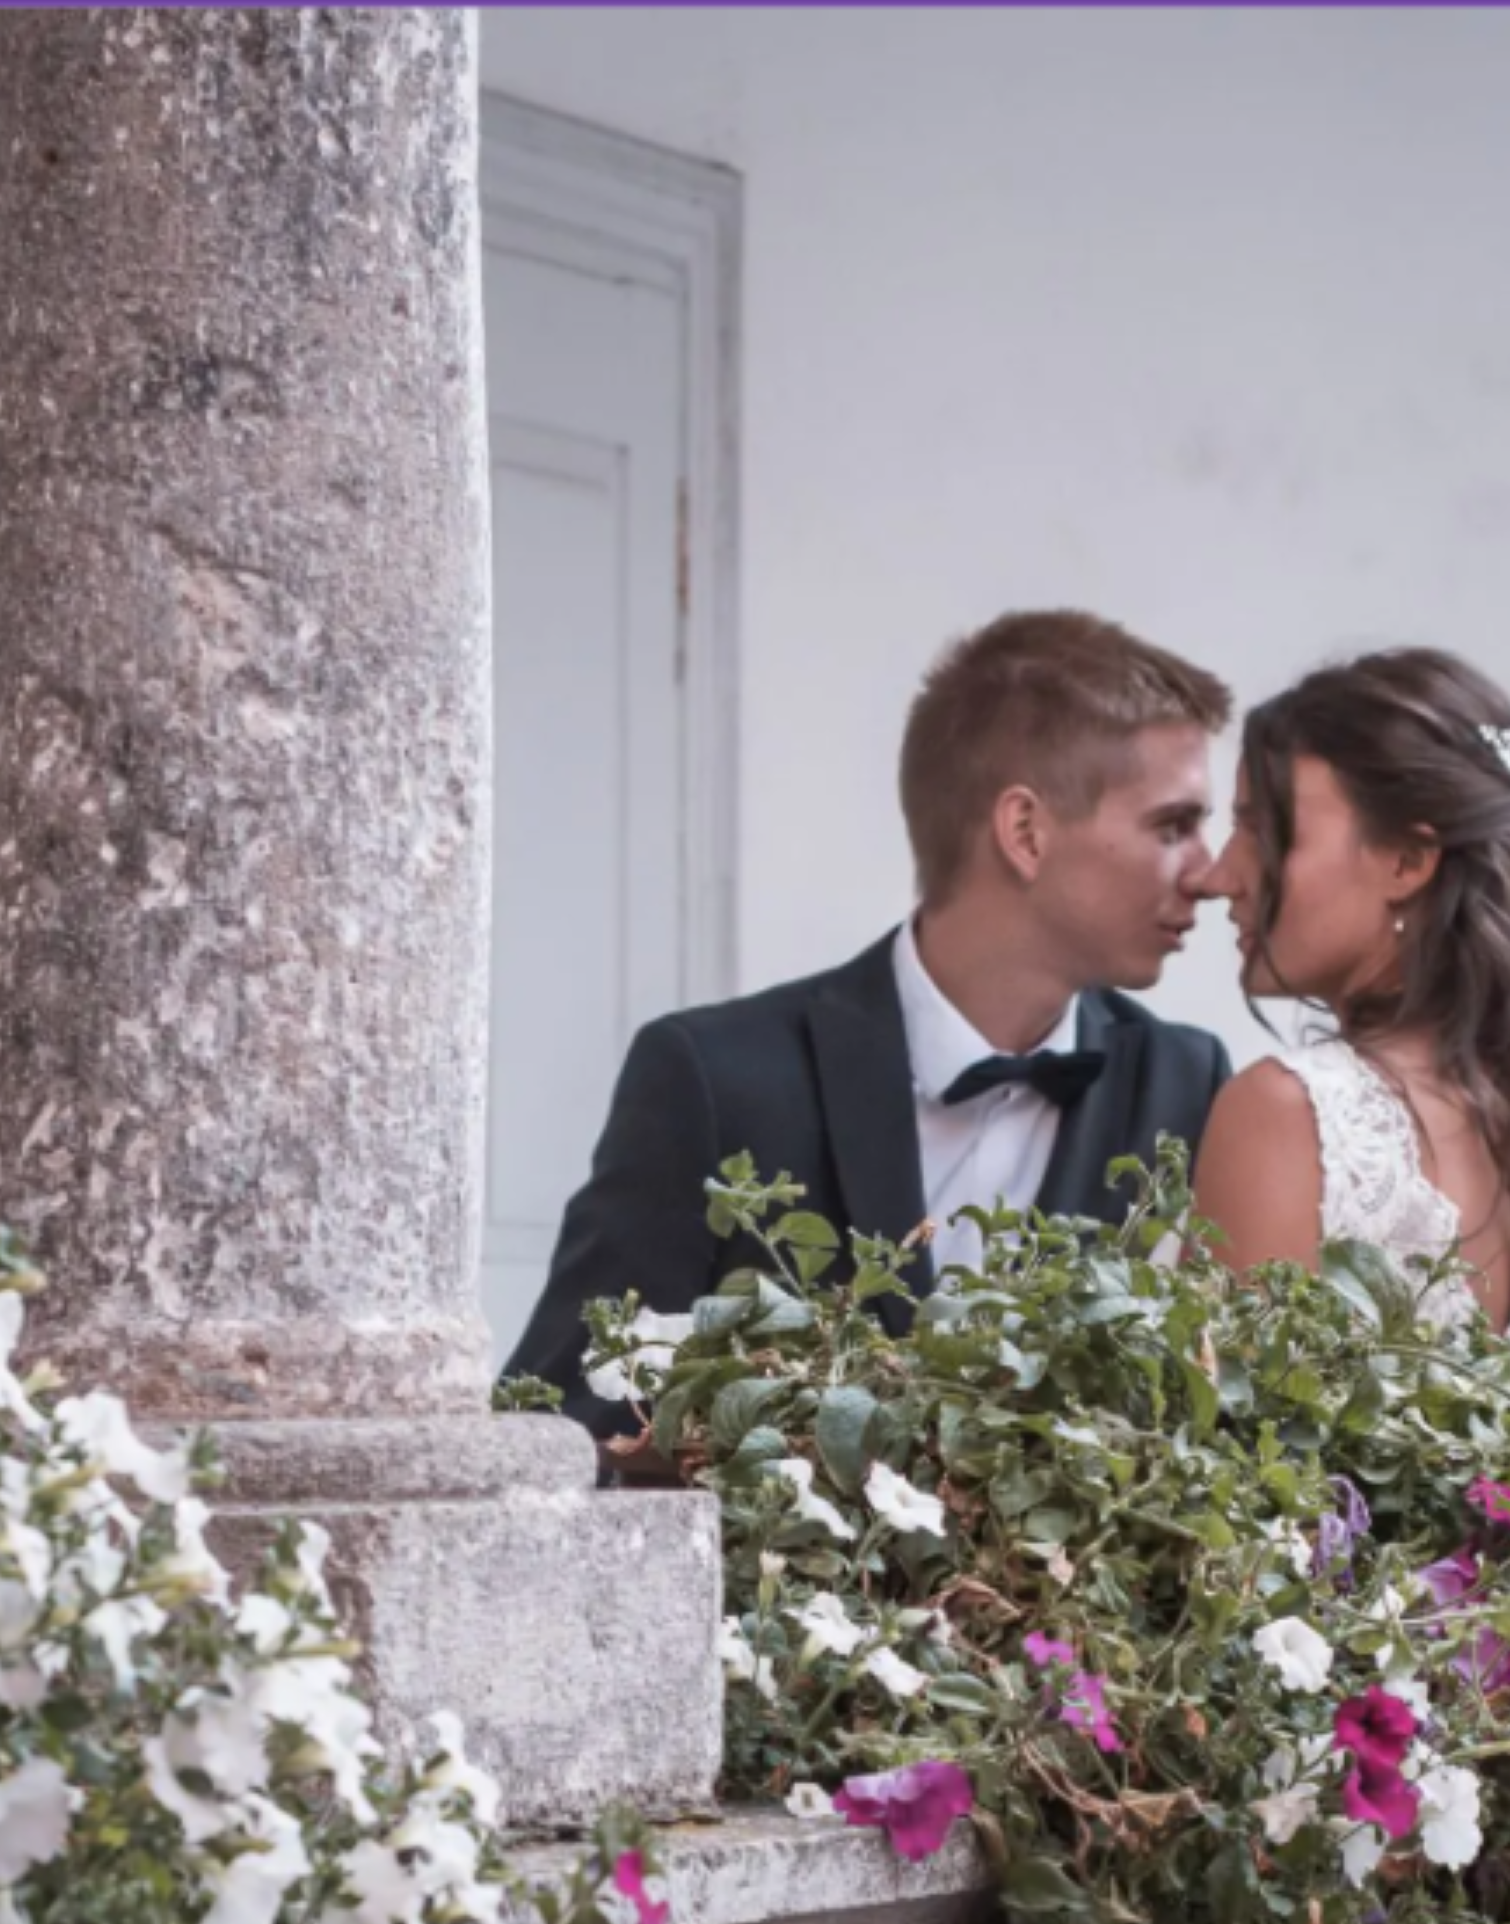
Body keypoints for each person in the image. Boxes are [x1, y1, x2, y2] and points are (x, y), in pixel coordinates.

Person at [503, 609, 1239, 1441]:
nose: (1210, 873)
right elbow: (559, 1421)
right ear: (1025, 832)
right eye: (1173, 826)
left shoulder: (1189, 1086)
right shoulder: (714, 1078)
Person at [1192, 647, 1510, 1353]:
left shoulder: (1287, 1119)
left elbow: (1220, 1420)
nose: (1220, 875)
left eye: (1262, 829)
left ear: (1407, 861)